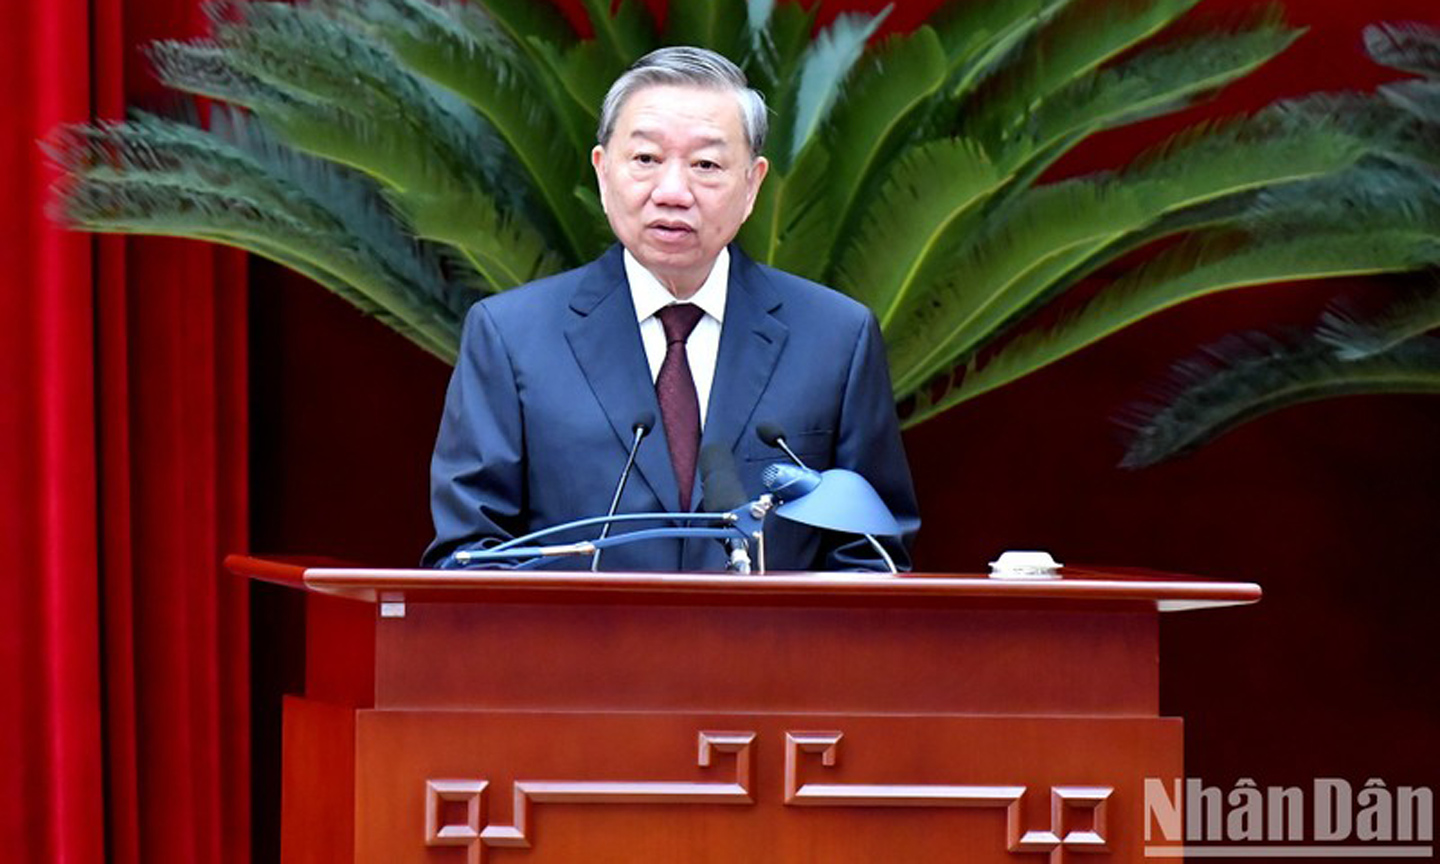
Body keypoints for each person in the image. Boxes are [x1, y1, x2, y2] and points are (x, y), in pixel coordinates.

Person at [423, 46, 918, 571]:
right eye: (646, 160)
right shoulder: (510, 336)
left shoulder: (836, 338)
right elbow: (471, 557)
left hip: (768, 652)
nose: (673, 191)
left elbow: (874, 557)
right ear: (602, 171)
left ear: (752, 185)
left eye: (706, 164)